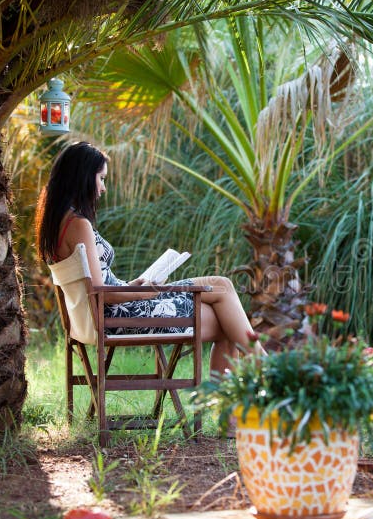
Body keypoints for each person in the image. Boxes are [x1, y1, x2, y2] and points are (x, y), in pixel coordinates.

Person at [35, 141, 260, 378]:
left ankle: (258, 372)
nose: (103, 188)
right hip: (117, 315)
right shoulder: (78, 225)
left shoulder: (58, 223)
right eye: (101, 179)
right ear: (82, 177)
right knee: (227, 316)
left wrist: (132, 287)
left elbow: (98, 286)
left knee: (222, 288)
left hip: (112, 309)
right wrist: (145, 292)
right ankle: (265, 371)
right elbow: (102, 293)